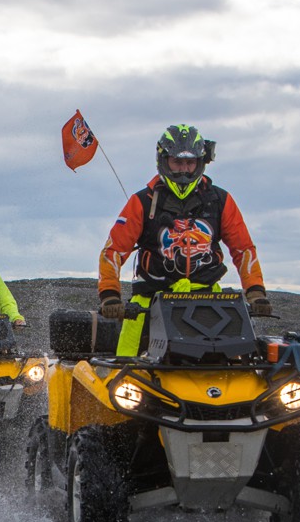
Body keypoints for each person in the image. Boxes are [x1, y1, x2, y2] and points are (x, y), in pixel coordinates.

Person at [97, 124, 271, 357]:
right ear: (163, 161)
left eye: (190, 164)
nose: (184, 171)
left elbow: (243, 249)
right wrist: (110, 296)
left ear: (201, 163)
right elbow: (113, 251)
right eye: (177, 163)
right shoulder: (142, 202)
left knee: (227, 366)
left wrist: (255, 292)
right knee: (125, 369)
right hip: (149, 303)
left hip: (208, 301)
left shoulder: (220, 200)